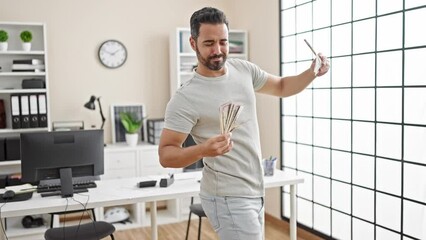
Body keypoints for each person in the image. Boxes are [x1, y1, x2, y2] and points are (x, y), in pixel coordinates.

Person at [159, 7, 329, 240]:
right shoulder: (185, 97)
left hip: (254, 189)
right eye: (209, 43)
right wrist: (203, 150)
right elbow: (166, 155)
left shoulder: (243, 69)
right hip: (227, 197)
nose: (218, 50)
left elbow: (281, 86)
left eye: (223, 42)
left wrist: (311, 73)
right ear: (192, 42)